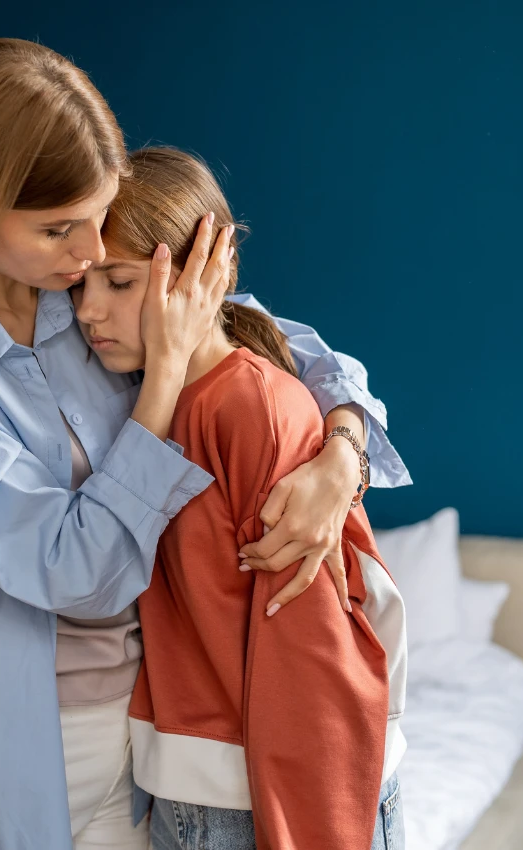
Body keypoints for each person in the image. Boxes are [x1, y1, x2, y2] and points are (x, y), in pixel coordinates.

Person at [0, 39, 410, 850]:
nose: (90, 254)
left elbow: (288, 347)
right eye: (59, 229)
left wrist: (341, 456)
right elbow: (74, 574)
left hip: (147, 745)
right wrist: (166, 381)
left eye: (98, 222)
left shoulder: (86, 299)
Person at [71, 146, 408, 850]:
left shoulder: (251, 404)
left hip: (279, 799)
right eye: (81, 285)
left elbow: (311, 646)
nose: (87, 310)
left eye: (120, 282)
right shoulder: (152, 402)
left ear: (204, 273)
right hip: (196, 792)